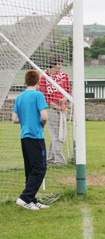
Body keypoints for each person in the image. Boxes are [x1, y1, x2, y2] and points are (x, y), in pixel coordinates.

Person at [12, 70, 50, 210]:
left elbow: (15, 119)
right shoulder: (38, 95)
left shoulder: (20, 97)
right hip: (36, 136)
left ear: (25, 81)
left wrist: (26, 119)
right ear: (38, 81)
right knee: (40, 168)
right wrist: (41, 125)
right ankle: (24, 198)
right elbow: (44, 116)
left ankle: (32, 200)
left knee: (30, 169)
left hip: (24, 137)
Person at [39, 54, 71, 165]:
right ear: (52, 64)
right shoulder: (44, 77)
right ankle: (59, 160)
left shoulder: (64, 75)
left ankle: (51, 158)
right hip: (51, 109)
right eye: (58, 64)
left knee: (58, 133)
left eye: (60, 64)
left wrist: (64, 99)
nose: (60, 66)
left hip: (63, 109)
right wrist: (56, 105)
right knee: (57, 134)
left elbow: (68, 90)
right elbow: (44, 96)